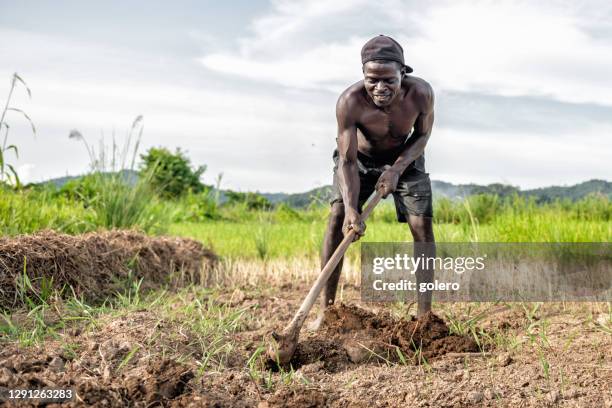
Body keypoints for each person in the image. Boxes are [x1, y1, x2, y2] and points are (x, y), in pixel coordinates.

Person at [313, 35, 436, 329]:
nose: (380, 88)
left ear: (403, 74)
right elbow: (347, 161)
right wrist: (353, 210)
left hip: (406, 158)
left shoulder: (421, 94)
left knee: (421, 226)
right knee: (337, 217)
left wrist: (396, 170)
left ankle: (425, 317)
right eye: (372, 80)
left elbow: (421, 136)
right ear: (363, 75)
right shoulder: (349, 102)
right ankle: (325, 312)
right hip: (359, 160)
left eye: (388, 81)